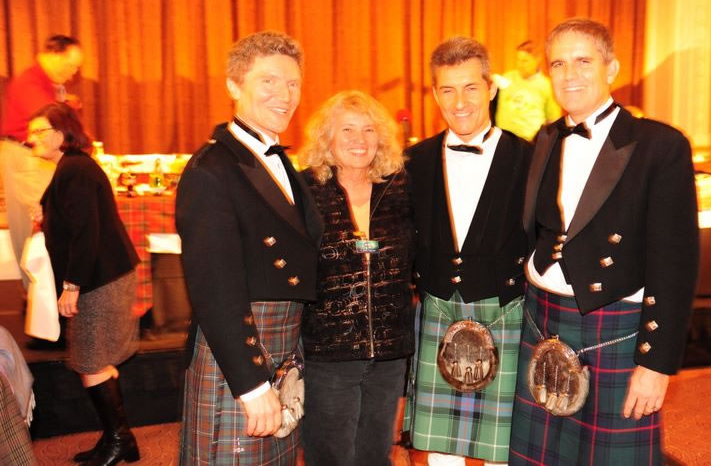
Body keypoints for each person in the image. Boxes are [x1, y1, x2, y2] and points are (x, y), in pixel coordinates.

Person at [509, 18, 699, 465]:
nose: (569, 74)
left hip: (612, 328)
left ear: (611, 67)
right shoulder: (545, 138)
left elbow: (675, 264)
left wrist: (654, 365)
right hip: (540, 320)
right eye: (558, 64)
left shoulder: (659, 145)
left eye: (583, 61)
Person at [176, 31, 323, 465]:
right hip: (242, 353)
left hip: (282, 343)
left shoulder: (275, 159)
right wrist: (252, 384)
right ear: (233, 85)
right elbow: (213, 287)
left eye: (293, 83)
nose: (285, 95)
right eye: (269, 81)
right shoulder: (211, 169)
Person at [404, 37, 533, 466]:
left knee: (501, 453)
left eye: (470, 88)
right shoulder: (413, 161)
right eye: (447, 89)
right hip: (436, 309)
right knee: (439, 453)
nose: (459, 102)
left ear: (491, 88)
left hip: (504, 310)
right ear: (434, 93)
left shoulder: (530, 158)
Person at [298, 90, 415, 466]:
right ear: (327, 138)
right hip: (328, 353)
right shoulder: (305, 191)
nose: (358, 139)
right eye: (346, 129)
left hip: (389, 353)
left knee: (375, 454)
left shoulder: (400, 189)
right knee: (330, 455)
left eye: (368, 129)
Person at [28, 102, 140, 465]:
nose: (31, 138)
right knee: (94, 360)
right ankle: (121, 438)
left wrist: (72, 285)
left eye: (39, 130)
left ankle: (119, 439)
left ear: (62, 132)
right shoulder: (71, 166)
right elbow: (72, 218)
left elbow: (86, 231)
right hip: (101, 277)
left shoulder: (75, 169)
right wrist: (45, 213)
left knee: (91, 362)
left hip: (99, 281)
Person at [1, 35, 83, 302]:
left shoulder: (46, 83)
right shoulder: (31, 83)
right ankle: (40, 298)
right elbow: (52, 123)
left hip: (33, 157)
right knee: (37, 226)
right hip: (26, 158)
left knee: (44, 223)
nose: (73, 73)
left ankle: (43, 296)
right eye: (70, 65)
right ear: (55, 55)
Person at [494, 40, 561, 140]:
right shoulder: (507, 77)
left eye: (525, 61)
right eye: (518, 60)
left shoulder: (546, 86)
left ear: (537, 60)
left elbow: (553, 119)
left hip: (529, 142)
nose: (520, 64)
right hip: (503, 138)